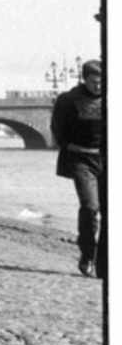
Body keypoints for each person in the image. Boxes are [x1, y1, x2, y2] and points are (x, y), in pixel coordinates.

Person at [51, 59, 104, 278]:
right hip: (81, 160)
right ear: (85, 79)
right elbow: (57, 129)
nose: (99, 87)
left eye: (103, 82)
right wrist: (68, 144)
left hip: (107, 159)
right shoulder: (69, 100)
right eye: (95, 82)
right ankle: (87, 255)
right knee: (90, 207)